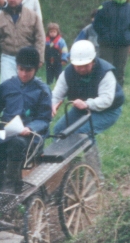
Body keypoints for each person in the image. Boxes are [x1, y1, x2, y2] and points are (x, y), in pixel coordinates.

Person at [0, 47, 52, 193]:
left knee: (16, 144)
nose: (24, 74)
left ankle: (9, 187)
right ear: (16, 67)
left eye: (28, 71)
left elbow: (44, 119)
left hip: (30, 138)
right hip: (7, 132)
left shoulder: (42, 90)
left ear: (35, 69)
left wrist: (31, 128)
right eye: (21, 69)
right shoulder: (7, 86)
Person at [52, 40, 124, 178]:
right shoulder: (67, 74)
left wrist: (87, 104)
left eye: (85, 65)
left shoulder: (105, 72)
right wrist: (53, 105)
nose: (81, 69)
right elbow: (56, 94)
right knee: (58, 131)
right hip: (82, 107)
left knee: (83, 133)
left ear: (93, 61)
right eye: (77, 66)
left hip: (108, 110)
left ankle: (96, 176)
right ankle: (66, 172)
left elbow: (106, 100)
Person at [0, 0, 45, 83]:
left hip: (27, 57)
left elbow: (40, 38)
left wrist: (39, 57)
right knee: (7, 86)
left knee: (25, 86)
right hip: (7, 57)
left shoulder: (32, 16)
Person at [93, 0, 130, 85]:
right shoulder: (104, 6)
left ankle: (118, 96)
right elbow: (97, 24)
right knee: (105, 70)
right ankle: (103, 95)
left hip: (123, 44)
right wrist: (106, 35)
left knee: (120, 71)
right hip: (107, 44)